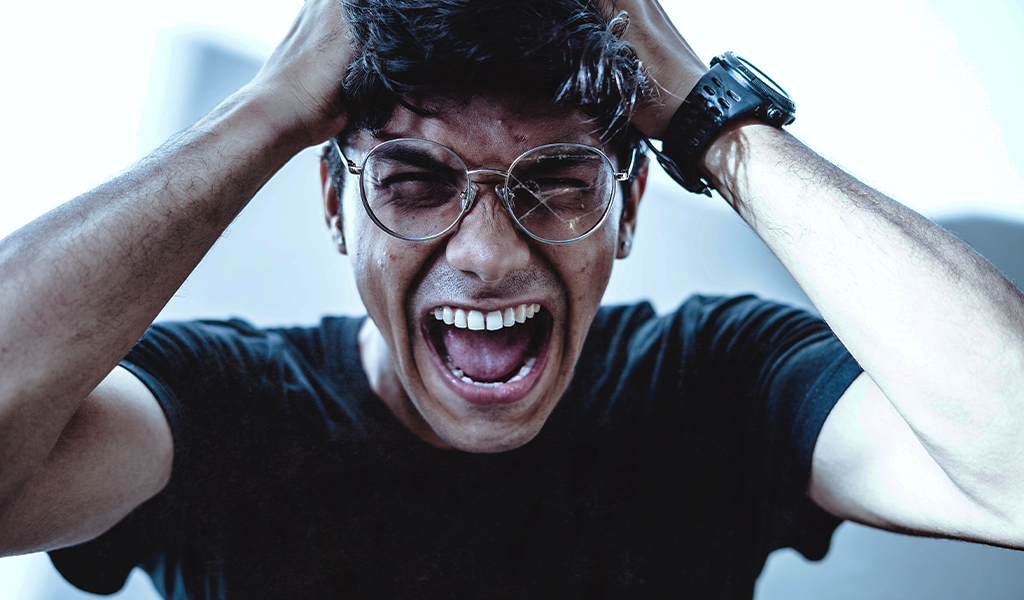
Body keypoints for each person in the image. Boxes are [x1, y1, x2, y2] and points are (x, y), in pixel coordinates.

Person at [0, 0, 1021, 597]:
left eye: (557, 183)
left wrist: (707, 112)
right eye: (415, 181)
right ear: (335, 202)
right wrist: (266, 112)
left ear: (625, 208)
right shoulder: (211, 405)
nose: (488, 255)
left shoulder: (722, 384)